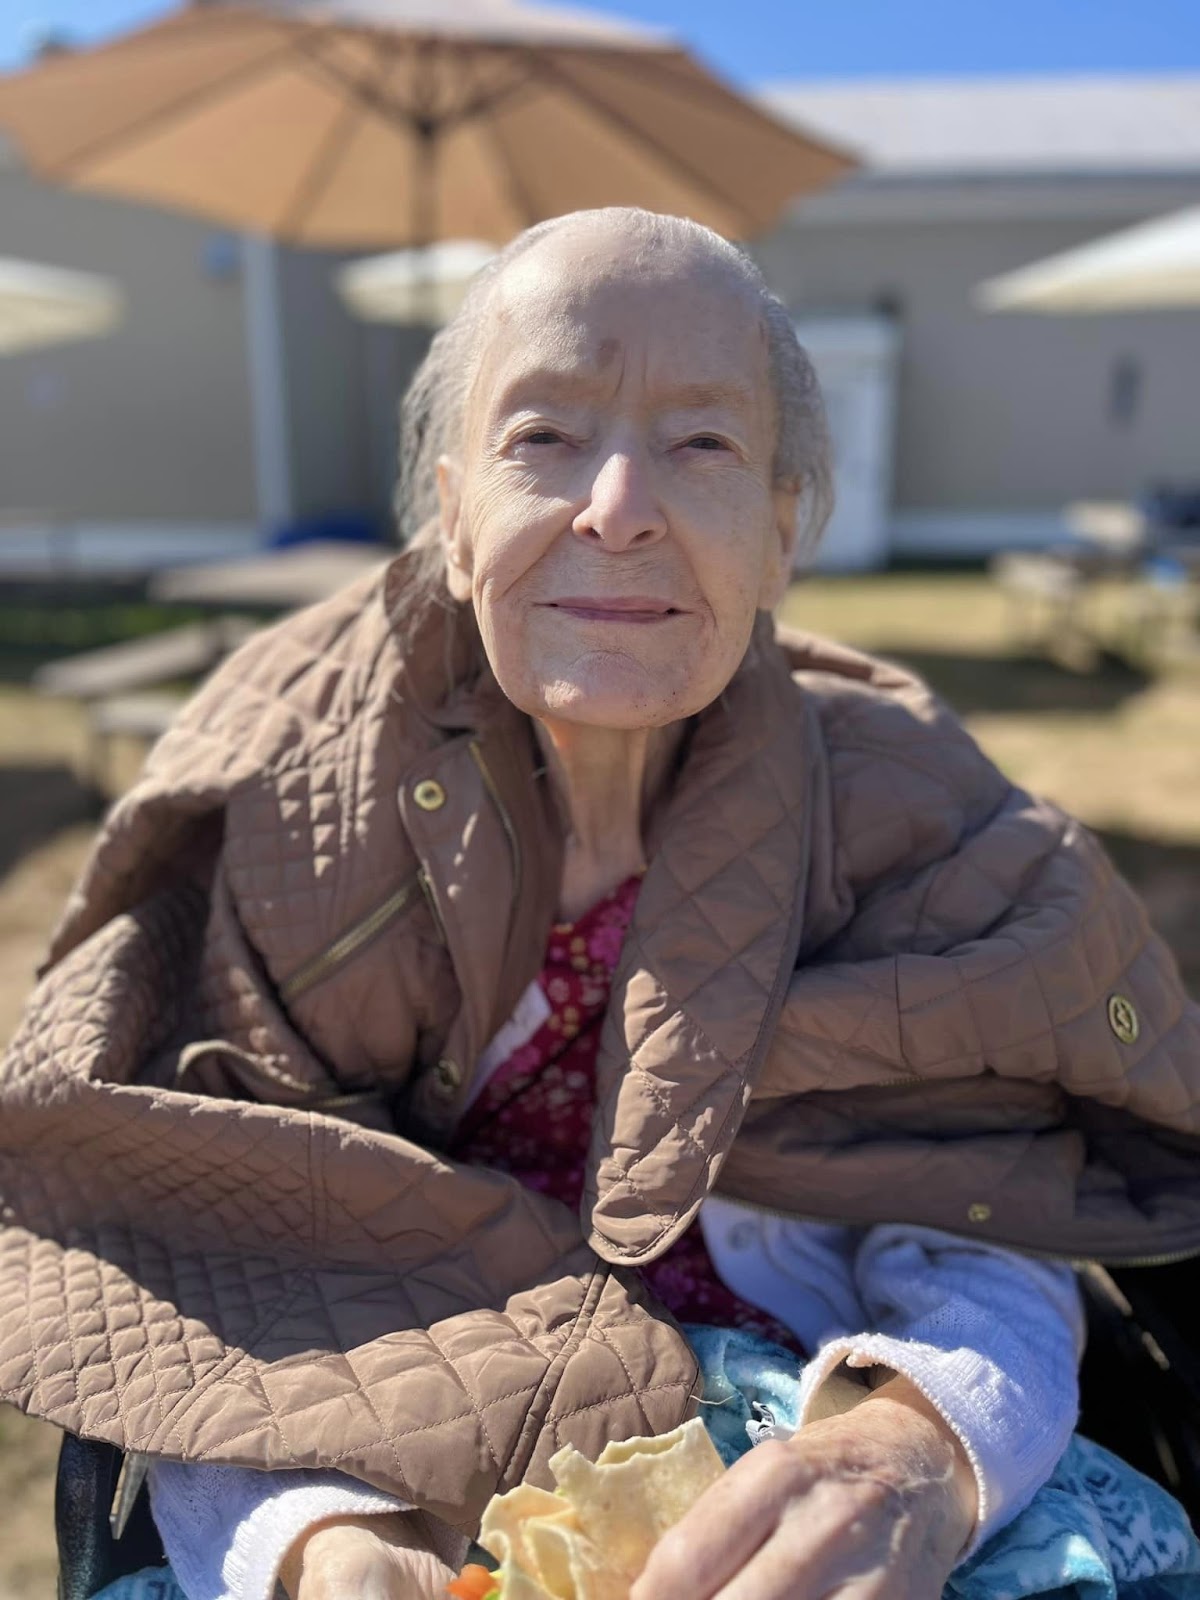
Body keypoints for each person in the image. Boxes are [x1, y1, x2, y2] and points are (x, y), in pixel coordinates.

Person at [3, 209, 1200, 1600]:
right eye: (544, 437)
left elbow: (984, 1211)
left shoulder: (911, 818)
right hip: (370, 1421)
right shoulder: (299, 810)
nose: (619, 503)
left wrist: (910, 1451)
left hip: (809, 1426)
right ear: (453, 521)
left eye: (703, 444)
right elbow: (224, 1244)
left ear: (782, 528)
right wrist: (318, 1539)